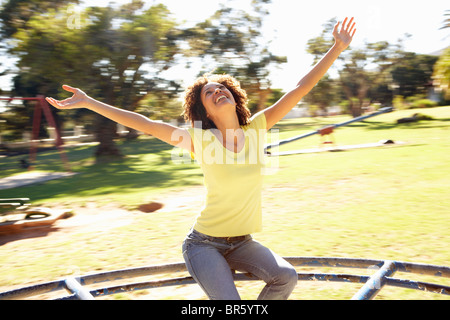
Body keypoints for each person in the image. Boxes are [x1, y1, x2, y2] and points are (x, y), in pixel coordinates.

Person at [46, 17, 356, 300]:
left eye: (222, 88)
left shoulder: (259, 127)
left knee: (286, 277)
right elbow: (143, 123)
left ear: (234, 96)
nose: (217, 91)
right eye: (209, 93)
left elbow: (300, 88)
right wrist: (89, 102)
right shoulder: (199, 139)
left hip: (243, 243)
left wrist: (336, 48)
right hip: (204, 244)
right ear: (204, 111)